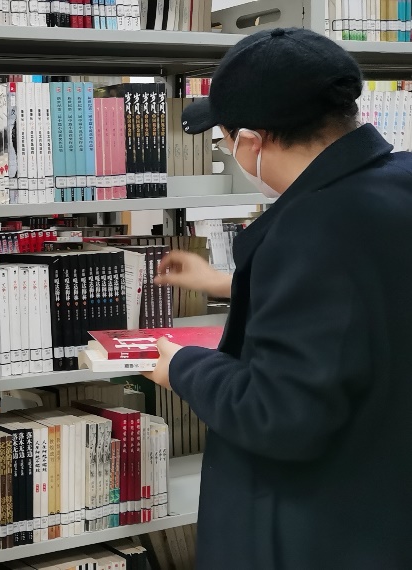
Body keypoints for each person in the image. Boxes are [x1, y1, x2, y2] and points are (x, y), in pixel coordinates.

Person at [146, 28, 412, 570]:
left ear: (251, 142)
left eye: (223, 141)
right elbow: (367, 295)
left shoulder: (311, 228)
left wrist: (184, 367)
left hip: (317, 530)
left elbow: (279, 414)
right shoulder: (397, 182)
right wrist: (227, 284)